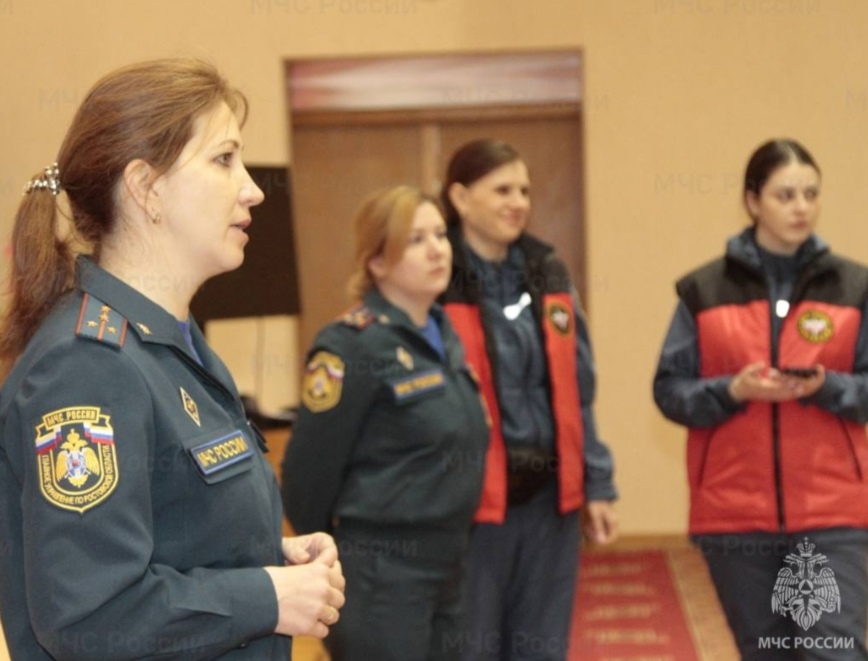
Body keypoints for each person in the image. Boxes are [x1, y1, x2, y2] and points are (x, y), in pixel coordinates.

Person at [0, 58, 345, 660]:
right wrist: (266, 596)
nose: (253, 189)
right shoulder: (87, 365)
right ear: (146, 188)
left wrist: (267, 560)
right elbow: (90, 614)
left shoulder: (175, 345)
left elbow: (175, 533)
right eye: (223, 159)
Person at [654, 139, 868, 660]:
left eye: (811, 194)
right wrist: (733, 390)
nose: (801, 207)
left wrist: (828, 387)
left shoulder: (854, 286)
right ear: (753, 201)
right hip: (734, 514)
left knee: (834, 649)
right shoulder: (704, 290)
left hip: (832, 511)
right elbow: (670, 391)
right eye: (785, 195)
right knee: (767, 651)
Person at [281, 185, 490, 661]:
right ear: (377, 261)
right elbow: (306, 473)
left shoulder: (442, 333)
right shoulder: (351, 346)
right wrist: (337, 556)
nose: (437, 249)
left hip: (450, 564)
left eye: (440, 234)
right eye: (416, 240)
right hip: (382, 574)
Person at [440, 138, 619, 661]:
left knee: (541, 648)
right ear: (460, 197)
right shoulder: (436, 281)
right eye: (502, 190)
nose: (518, 202)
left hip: (549, 505)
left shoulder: (549, 273)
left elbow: (578, 391)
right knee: (471, 649)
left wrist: (598, 482)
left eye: (524, 190)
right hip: (472, 507)